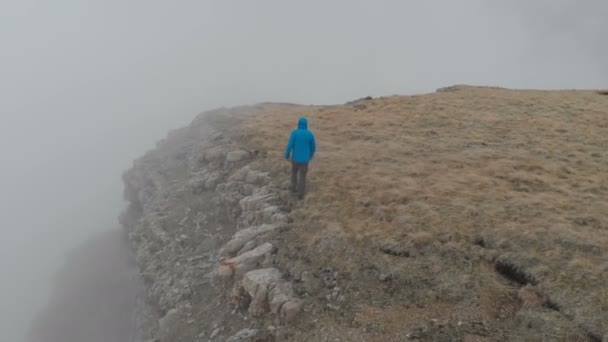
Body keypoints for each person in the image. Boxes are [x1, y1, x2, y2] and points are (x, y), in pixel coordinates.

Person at [285, 117, 316, 199]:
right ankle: (300, 194)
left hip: (295, 159)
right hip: (305, 160)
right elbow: (313, 147)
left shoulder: (294, 133)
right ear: (306, 125)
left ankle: (293, 188)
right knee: (302, 176)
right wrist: (311, 155)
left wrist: (287, 155)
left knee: (294, 173)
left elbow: (290, 145)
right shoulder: (310, 134)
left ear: (298, 124)